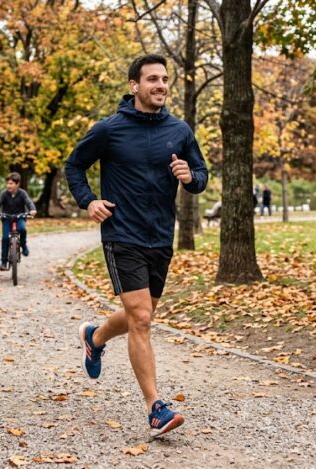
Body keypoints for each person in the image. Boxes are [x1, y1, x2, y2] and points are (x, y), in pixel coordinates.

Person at [65, 54, 208, 437]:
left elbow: (201, 174)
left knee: (138, 317)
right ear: (134, 86)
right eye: (152, 79)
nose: (160, 85)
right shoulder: (109, 130)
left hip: (161, 236)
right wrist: (89, 200)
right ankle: (155, 408)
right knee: (141, 318)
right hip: (121, 234)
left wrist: (190, 176)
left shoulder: (180, 130)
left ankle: (93, 337)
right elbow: (74, 166)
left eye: (164, 79)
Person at [0, 172, 37, 271]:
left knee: (22, 229)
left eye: (11, 183)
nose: (8, 185)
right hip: (6, 217)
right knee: (5, 238)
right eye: (7, 183)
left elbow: (28, 201)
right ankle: (3, 261)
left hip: (19, 216)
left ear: (17, 184)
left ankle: (23, 245)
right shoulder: (4, 193)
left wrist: (32, 210)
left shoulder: (22, 193)